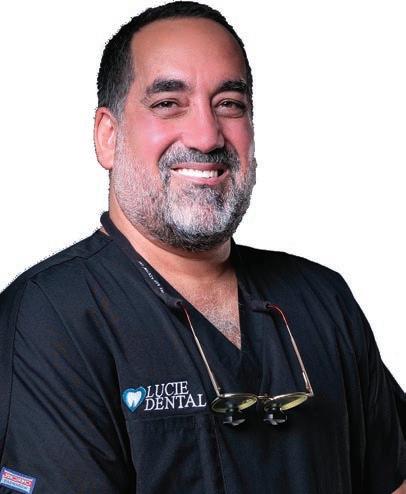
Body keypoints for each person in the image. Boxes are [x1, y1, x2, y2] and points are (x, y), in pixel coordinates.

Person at [0, 1, 404, 493]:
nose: (207, 136)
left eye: (229, 104)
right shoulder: (50, 318)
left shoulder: (323, 299)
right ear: (108, 136)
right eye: (168, 103)